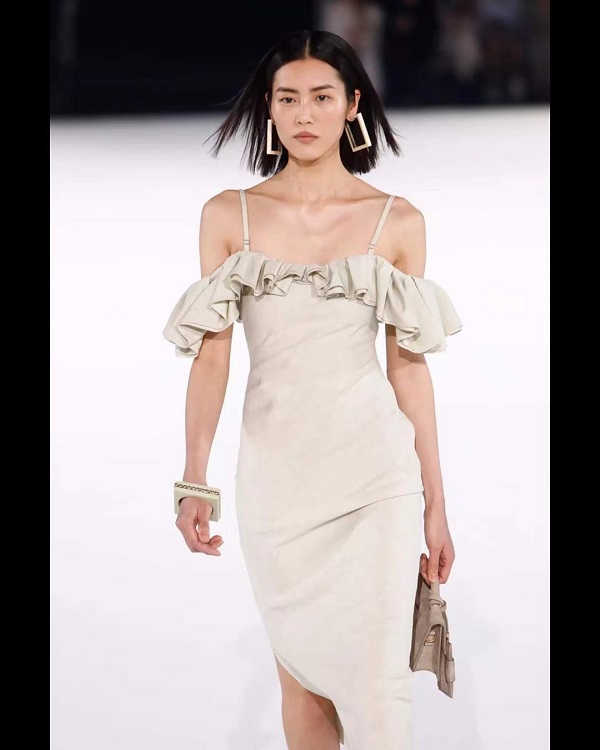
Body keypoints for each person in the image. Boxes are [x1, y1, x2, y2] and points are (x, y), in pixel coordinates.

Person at [163, 29, 462, 750]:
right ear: (268, 108)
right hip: (278, 483)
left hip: (374, 479)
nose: (304, 114)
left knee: (379, 686)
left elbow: (408, 367)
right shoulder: (229, 216)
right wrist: (194, 479)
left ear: (352, 105)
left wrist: (436, 501)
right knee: (302, 675)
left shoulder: (395, 221)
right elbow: (211, 358)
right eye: (288, 98)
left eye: (322, 97)